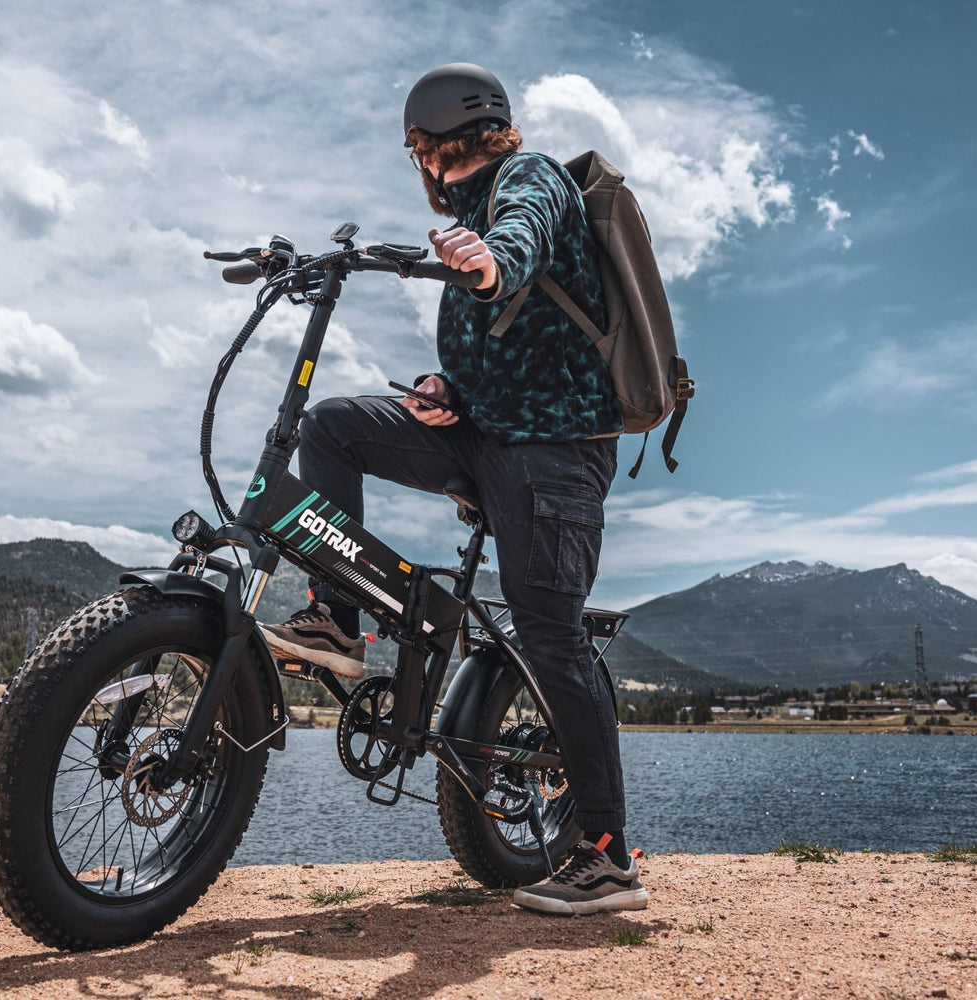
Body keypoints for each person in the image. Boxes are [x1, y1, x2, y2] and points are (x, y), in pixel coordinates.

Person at [260, 62, 648, 916]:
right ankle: (339, 619)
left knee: (550, 634)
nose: (420, 169)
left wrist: (489, 262)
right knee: (331, 428)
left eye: (417, 152)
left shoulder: (528, 180)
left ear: (431, 148)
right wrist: (447, 389)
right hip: (482, 433)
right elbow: (511, 334)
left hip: (554, 452)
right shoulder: (469, 215)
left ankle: (609, 855)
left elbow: (521, 237)